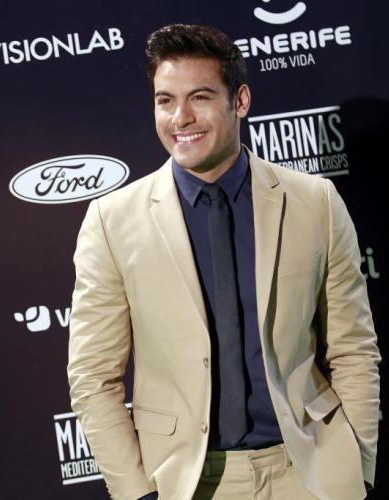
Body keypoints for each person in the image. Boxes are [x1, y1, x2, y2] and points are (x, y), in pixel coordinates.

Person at [67, 24, 380, 500]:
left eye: (200, 97)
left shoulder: (314, 202)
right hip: (188, 482)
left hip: (310, 470)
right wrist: (137, 492)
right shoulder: (112, 222)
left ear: (240, 101)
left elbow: (353, 349)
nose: (181, 118)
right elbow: (93, 378)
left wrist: (358, 466)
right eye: (165, 100)